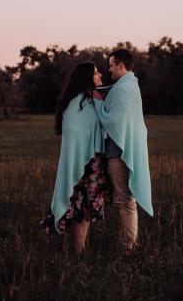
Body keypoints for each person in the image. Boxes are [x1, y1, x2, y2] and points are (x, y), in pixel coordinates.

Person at [40, 62, 112, 254]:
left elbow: (107, 126)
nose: (101, 75)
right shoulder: (75, 104)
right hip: (84, 163)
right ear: (88, 77)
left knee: (86, 208)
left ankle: (80, 250)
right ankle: (79, 250)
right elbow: (76, 133)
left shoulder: (94, 100)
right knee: (80, 207)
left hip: (94, 164)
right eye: (97, 73)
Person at [93, 49, 153, 250]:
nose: (108, 70)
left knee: (125, 201)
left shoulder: (123, 89)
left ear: (120, 65)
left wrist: (98, 103)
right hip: (121, 151)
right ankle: (130, 243)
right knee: (126, 200)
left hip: (119, 153)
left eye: (111, 65)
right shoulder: (128, 86)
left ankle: (128, 246)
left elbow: (114, 120)